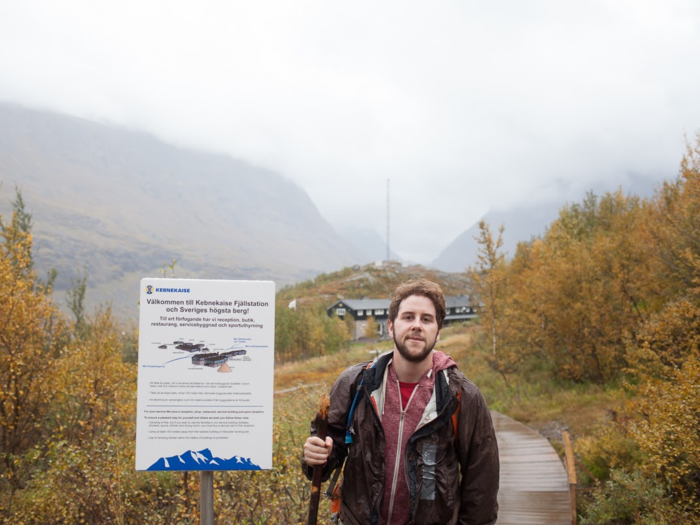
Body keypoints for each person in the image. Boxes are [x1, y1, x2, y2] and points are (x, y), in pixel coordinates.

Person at [302, 279, 499, 525]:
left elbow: (482, 485)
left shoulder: (462, 397)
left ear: (438, 332)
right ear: (391, 327)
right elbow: (326, 451)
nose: (417, 325)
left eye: (426, 319)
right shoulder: (356, 384)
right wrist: (314, 456)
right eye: (408, 317)